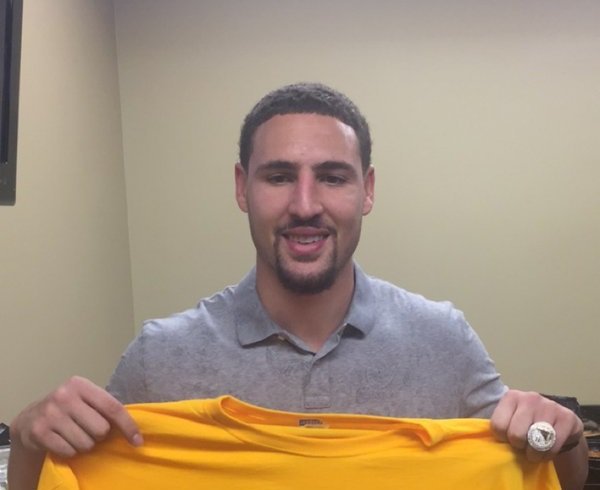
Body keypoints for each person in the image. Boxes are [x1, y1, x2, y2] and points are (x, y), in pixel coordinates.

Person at [8, 83, 588, 489]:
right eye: (280, 176)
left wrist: (558, 437)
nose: (305, 204)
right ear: (242, 188)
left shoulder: (444, 340)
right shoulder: (160, 357)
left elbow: (544, 474)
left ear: (367, 190)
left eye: (332, 177)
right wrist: (32, 445)